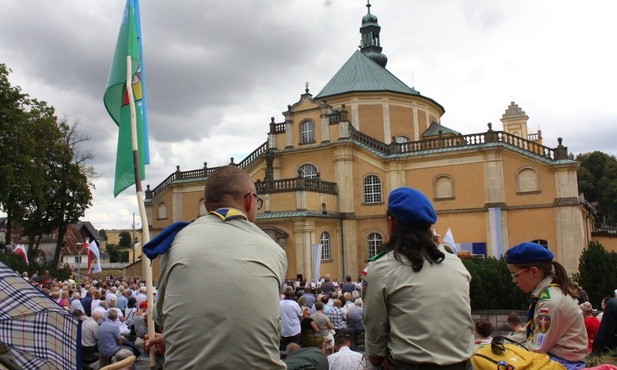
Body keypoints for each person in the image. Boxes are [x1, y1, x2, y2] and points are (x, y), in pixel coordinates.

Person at [144, 165, 288, 369]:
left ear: (207, 204)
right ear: (249, 201)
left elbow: (161, 318)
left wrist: (173, 341)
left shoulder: (177, 241)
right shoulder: (274, 249)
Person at [363, 187, 474, 369]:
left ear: (391, 223)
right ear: (429, 227)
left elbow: (374, 327)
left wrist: (376, 357)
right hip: (463, 364)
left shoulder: (381, 268)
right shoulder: (454, 262)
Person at [506, 242, 587, 369]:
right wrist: (501, 342)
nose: (513, 280)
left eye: (516, 275)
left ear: (534, 271)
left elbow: (537, 348)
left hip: (563, 364)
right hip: (557, 359)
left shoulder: (550, 302)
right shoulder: (546, 294)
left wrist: (506, 350)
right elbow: (531, 331)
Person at [280, 286, 303, 350]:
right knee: (295, 348)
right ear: (292, 293)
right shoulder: (294, 304)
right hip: (295, 330)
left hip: (284, 330)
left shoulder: (280, 303)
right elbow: (300, 316)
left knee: (285, 348)